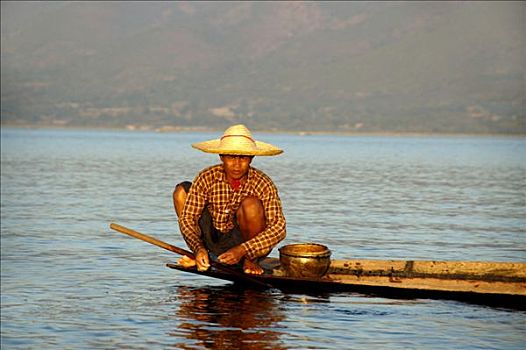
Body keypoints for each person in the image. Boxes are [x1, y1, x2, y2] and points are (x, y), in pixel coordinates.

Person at [173, 124, 286, 275]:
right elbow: (188, 218)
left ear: (251, 158)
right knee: (181, 192)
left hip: (246, 244)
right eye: (231, 157)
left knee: (251, 205)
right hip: (212, 239)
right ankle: (202, 256)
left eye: (243, 158)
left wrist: (243, 250)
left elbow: (279, 228)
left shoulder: (262, 183)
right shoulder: (207, 177)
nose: (237, 165)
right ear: (221, 157)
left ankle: (250, 261)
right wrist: (198, 248)